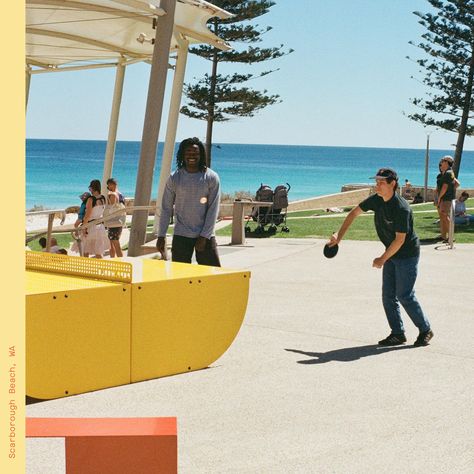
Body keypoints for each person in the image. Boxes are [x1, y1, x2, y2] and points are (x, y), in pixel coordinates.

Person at [327, 167, 433, 347]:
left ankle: (425, 330)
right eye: (376, 182)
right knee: (388, 296)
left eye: (381, 182)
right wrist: (339, 236)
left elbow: (400, 241)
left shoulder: (401, 208)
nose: (377, 185)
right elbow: (353, 213)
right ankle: (398, 333)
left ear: (392, 184)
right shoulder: (377, 200)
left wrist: (382, 258)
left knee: (404, 295)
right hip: (391, 253)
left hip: (407, 255)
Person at [157, 137, 221, 266]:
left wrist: (204, 236)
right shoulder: (174, 178)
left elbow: (213, 209)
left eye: (195, 153)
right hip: (181, 235)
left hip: (206, 235)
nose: (192, 156)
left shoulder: (211, 177)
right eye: (188, 153)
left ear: (201, 155)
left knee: (213, 276)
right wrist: (161, 235)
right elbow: (166, 208)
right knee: (181, 278)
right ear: (182, 155)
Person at [82, 179, 110, 258]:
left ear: (92, 188)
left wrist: (84, 227)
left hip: (91, 225)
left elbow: (87, 215)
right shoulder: (103, 198)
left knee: (85, 250)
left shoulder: (91, 199)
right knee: (98, 251)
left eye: (90, 188)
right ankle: (100, 268)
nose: (89, 190)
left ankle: (85, 268)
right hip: (100, 226)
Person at [435, 156, 459, 242]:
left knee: (444, 215)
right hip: (443, 198)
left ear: (447, 162)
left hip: (445, 198)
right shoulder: (446, 173)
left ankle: (451, 236)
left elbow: (445, 187)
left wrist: (440, 197)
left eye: (443, 160)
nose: (441, 162)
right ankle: (444, 235)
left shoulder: (449, 173)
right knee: (442, 216)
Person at [105, 178, 125, 258]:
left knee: (114, 243)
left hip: (113, 221)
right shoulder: (120, 194)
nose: (108, 187)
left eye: (108, 185)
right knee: (113, 242)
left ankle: (119, 261)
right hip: (119, 220)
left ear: (111, 185)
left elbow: (111, 207)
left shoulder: (112, 194)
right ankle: (115, 260)